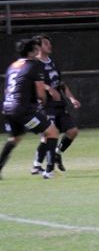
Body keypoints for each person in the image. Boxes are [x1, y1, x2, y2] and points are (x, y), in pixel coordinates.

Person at [0, 37, 60, 179]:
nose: (38, 50)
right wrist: (42, 104)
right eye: (36, 48)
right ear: (32, 51)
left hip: (8, 107)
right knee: (52, 132)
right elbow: (41, 93)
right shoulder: (34, 65)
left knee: (15, 138)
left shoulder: (13, 66)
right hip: (23, 110)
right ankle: (49, 171)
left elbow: (7, 90)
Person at [30, 35, 81, 175]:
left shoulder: (53, 63)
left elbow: (61, 83)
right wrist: (48, 89)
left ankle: (57, 153)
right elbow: (35, 84)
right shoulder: (34, 64)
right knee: (48, 136)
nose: (49, 45)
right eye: (46, 43)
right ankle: (37, 165)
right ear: (38, 47)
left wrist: (72, 98)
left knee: (73, 131)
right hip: (45, 105)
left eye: (49, 43)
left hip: (59, 104)